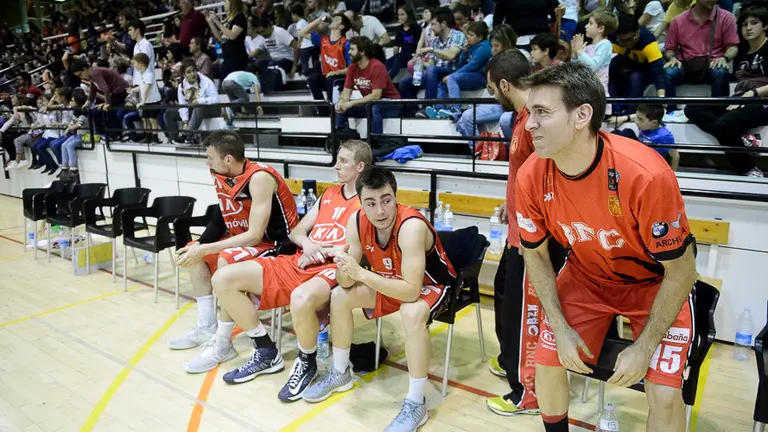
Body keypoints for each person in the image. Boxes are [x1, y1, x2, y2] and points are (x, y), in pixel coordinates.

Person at [515, 62, 696, 432]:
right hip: (586, 277)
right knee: (547, 362)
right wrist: (560, 326)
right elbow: (533, 252)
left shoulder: (645, 175)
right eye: (528, 112)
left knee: (664, 394)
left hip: (654, 285)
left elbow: (683, 270)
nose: (529, 123)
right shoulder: (531, 174)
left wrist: (644, 347)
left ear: (582, 115)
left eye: (542, 113)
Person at [188, 141, 371, 395]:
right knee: (223, 278)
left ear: (360, 166)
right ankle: (265, 351)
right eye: (337, 159)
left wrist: (322, 250)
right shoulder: (329, 194)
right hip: (301, 258)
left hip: (333, 267)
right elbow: (296, 231)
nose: (336, 165)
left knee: (300, 297)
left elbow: (361, 246)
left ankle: (306, 363)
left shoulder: (369, 201)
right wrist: (308, 244)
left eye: (343, 161)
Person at [302, 167, 456, 432]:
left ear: (396, 197)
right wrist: (345, 265)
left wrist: (361, 272)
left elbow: (409, 291)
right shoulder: (357, 222)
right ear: (361, 203)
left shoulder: (411, 227)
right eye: (371, 203)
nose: (380, 211)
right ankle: (340, 373)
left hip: (431, 285)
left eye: (386, 200)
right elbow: (346, 281)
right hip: (390, 280)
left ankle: (417, 403)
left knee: (411, 312)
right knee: (339, 295)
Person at [483, 48, 568, 416]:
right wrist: (510, 203)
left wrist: (539, 235)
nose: (490, 96)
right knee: (504, 294)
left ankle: (528, 392)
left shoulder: (535, 122)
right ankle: (510, 359)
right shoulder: (521, 119)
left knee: (525, 314)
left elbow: (552, 181)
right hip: (517, 228)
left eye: (491, 89)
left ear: (504, 84)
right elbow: (523, 175)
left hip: (534, 237)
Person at [169, 131, 299, 359]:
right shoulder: (224, 176)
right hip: (248, 241)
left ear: (228, 159)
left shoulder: (259, 178)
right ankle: (206, 325)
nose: (207, 162)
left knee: (226, 259)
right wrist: (199, 244)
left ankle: (223, 341)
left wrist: (208, 248)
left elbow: (255, 236)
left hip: (278, 245)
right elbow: (223, 216)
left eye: (210, 157)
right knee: (195, 253)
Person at [683, 4, 768, 178]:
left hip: (762, 101)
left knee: (724, 125)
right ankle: (742, 139)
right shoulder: (743, 52)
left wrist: (753, 93)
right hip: (740, 99)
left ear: (765, 26)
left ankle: (748, 168)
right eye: (744, 24)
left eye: (754, 23)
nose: (748, 28)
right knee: (692, 108)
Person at [664, 0, 740, 113]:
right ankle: (671, 112)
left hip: (713, 62)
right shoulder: (678, 20)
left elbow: (733, 47)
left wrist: (725, 58)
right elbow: (669, 49)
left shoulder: (726, 17)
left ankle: (718, 112)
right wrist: (672, 58)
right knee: (668, 73)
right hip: (686, 63)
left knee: (721, 72)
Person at [455, 24, 518, 142]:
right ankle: (481, 149)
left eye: (497, 46)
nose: (493, 49)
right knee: (460, 123)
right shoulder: (492, 61)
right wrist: (491, 83)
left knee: (467, 117)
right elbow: (490, 90)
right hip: (495, 101)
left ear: (507, 43)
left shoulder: (519, 57)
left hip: (509, 104)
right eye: (492, 45)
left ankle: (478, 151)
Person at [399, 8, 465, 118]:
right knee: (405, 82)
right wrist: (419, 61)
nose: (431, 28)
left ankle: (428, 107)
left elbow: (451, 55)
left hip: (451, 72)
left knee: (432, 70)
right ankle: (413, 112)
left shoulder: (457, 35)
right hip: (434, 73)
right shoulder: (435, 41)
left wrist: (431, 49)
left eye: (434, 24)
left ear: (443, 24)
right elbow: (431, 63)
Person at [335, 36, 401, 138]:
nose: (348, 52)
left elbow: (376, 96)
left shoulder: (377, 66)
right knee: (339, 107)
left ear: (362, 52)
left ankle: (375, 142)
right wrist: (342, 102)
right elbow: (346, 92)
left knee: (374, 107)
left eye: (352, 49)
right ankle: (341, 140)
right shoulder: (352, 68)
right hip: (370, 104)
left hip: (392, 104)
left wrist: (350, 103)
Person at [425, 21, 492, 120]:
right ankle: (439, 108)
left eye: (471, 35)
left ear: (480, 37)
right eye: (468, 34)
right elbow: (460, 65)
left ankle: (455, 109)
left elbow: (472, 66)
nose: (468, 37)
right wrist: (464, 52)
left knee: (451, 78)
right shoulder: (471, 46)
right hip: (469, 75)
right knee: (442, 83)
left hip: (480, 77)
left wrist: (452, 75)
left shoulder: (485, 47)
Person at [609, 13, 666, 114]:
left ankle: (631, 112)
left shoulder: (648, 42)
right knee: (612, 66)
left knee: (635, 77)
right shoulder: (612, 37)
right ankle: (611, 108)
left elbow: (659, 73)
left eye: (630, 39)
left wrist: (661, 98)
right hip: (626, 62)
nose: (627, 44)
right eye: (623, 41)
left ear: (638, 32)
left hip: (646, 69)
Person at [300, 13, 352, 116]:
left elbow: (352, 68)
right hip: (326, 76)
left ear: (341, 26)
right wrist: (319, 20)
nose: (333, 19)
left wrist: (337, 71)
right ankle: (323, 110)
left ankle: (333, 112)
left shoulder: (346, 43)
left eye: (336, 19)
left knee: (331, 79)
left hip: (341, 78)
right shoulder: (323, 39)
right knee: (312, 78)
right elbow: (302, 33)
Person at [163, 60, 219, 145]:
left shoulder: (206, 81)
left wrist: (200, 101)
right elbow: (182, 106)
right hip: (194, 110)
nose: (192, 74)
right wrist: (185, 121)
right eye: (189, 72)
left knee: (198, 108)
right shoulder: (181, 86)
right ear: (184, 75)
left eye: (194, 71)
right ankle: (174, 139)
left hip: (212, 108)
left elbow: (216, 100)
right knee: (169, 113)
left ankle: (187, 136)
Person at [70, 59, 128, 139]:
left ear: (84, 68)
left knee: (109, 112)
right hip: (114, 92)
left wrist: (107, 104)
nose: (81, 77)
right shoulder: (92, 75)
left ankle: (117, 135)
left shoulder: (95, 73)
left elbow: (105, 89)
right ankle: (103, 134)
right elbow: (93, 90)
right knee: (96, 112)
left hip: (120, 90)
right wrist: (88, 102)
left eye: (80, 74)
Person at [611, 103, 680, 170]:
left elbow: (675, 156)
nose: (636, 122)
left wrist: (673, 175)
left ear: (654, 123)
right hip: (640, 156)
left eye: (640, 119)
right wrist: (625, 118)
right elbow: (638, 116)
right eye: (637, 118)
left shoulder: (664, 136)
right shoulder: (646, 125)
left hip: (651, 165)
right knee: (618, 133)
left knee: (626, 133)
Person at [571, 8, 617, 101]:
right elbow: (575, 69)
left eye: (590, 23)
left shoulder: (605, 44)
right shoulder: (587, 47)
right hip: (585, 91)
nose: (586, 26)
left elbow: (593, 66)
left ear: (601, 28)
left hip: (597, 94)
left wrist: (580, 51)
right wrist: (574, 54)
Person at [206, 0, 248, 78]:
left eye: (226, 1)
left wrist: (217, 22)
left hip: (237, 58)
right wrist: (210, 23)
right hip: (227, 57)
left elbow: (232, 35)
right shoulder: (228, 20)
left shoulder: (239, 18)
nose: (224, 4)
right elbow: (220, 38)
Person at [132, 52, 161, 144]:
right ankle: (148, 137)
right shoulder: (142, 73)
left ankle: (155, 138)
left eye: (135, 63)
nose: (134, 65)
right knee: (145, 119)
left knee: (152, 119)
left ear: (141, 63)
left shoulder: (149, 74)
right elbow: (141, 87)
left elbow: (146, 89)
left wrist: (142, 102)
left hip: (153, 100)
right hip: (146, 101)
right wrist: (131, 90)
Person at [387, 5, 422, 79]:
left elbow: (421, 44)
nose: (400, 17)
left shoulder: (416, 28)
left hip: (413, 54)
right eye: (399, 15)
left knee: (400, 58)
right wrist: (395, 54)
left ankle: (389, 80)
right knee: (388, 61)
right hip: (402, 55)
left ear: (408, 14)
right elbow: (396, 46)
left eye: (402, 14)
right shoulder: (399, 29)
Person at [129, 20, 156, 90]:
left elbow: (143, 65)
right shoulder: (136, 46)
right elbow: (136, 65)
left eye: (130, 30)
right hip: (138, 82)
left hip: (146, 82)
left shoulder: (145, 45)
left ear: (137, 30)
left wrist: (127, 61)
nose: (129, 33)